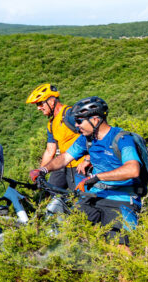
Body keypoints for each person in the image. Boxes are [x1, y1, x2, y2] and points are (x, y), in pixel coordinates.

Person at [30, 96, 141, 242]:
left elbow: (132, 170)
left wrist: (99, 177)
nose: (76, 125)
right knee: (69, 236)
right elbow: (65, 158)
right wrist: (43, 170)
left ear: (95, 120)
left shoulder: (121, 139)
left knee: (119, 247)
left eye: (79, 121)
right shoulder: (86, 139)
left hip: (121, 199)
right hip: (94, 197)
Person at [25, 83, 89, 190]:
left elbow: (92, 135)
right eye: (37, 105)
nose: (39, 108)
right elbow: (50, 150)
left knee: (82, 199)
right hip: (62, 165)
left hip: (79, 165)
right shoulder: (51, 123)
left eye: (40, 104)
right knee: (48, 193)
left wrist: (88, 159)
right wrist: (40, 172)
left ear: (52, 100)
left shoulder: (69, 114)